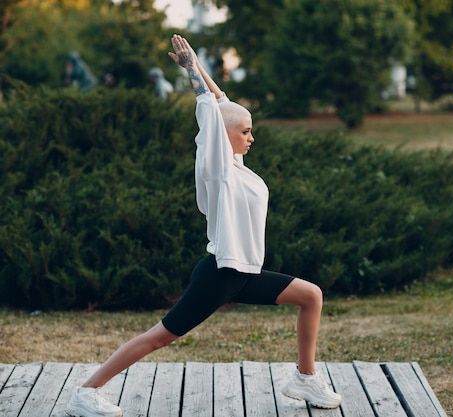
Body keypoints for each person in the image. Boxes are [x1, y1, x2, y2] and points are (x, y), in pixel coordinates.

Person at [64, 34, 342, 417]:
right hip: (220, 274)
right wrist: (192, 74)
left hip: (244, 273)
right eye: (245, 132)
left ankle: (305, 378)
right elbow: (211, 114)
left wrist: (201, 68)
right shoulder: (216, 168)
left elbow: (223, 103)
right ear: (222, 136)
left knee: (311, 295)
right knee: (159, 338)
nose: (251, 137)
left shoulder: (235, 166)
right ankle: (86, 392)